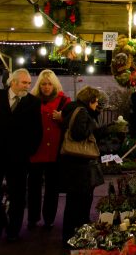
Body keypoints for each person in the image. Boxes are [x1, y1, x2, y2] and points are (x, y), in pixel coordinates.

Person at [0, 69, 42, 243]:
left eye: (29, 83)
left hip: (18, 158)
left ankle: (13, 230)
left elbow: (37, 131)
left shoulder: (33, 103)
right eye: (24, 83)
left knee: (18, 195)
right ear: (12, 82)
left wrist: (29, 152)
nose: (27, 86)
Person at [59, 86, 104, 245]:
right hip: (79, 164)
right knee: (78, 201)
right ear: (90, 100)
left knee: (75, 201)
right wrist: (93, 119)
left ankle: (73, 233)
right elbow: (80, 134)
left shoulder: (72, 109)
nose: (97, 104)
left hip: (73, 163)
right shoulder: (82, 112)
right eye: (96, 101)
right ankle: (74, 235)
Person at [27, 69, 70, 230]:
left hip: (55, 151)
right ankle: (32, 217)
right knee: (33, 187)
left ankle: (49, 218)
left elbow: (70, 122)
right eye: (43, 84)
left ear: (54, 84)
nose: (46, 87)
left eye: (49, 84)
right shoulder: (31, 100)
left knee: (52, 187)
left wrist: (62, 118)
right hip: (36, 149)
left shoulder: (64, 100)